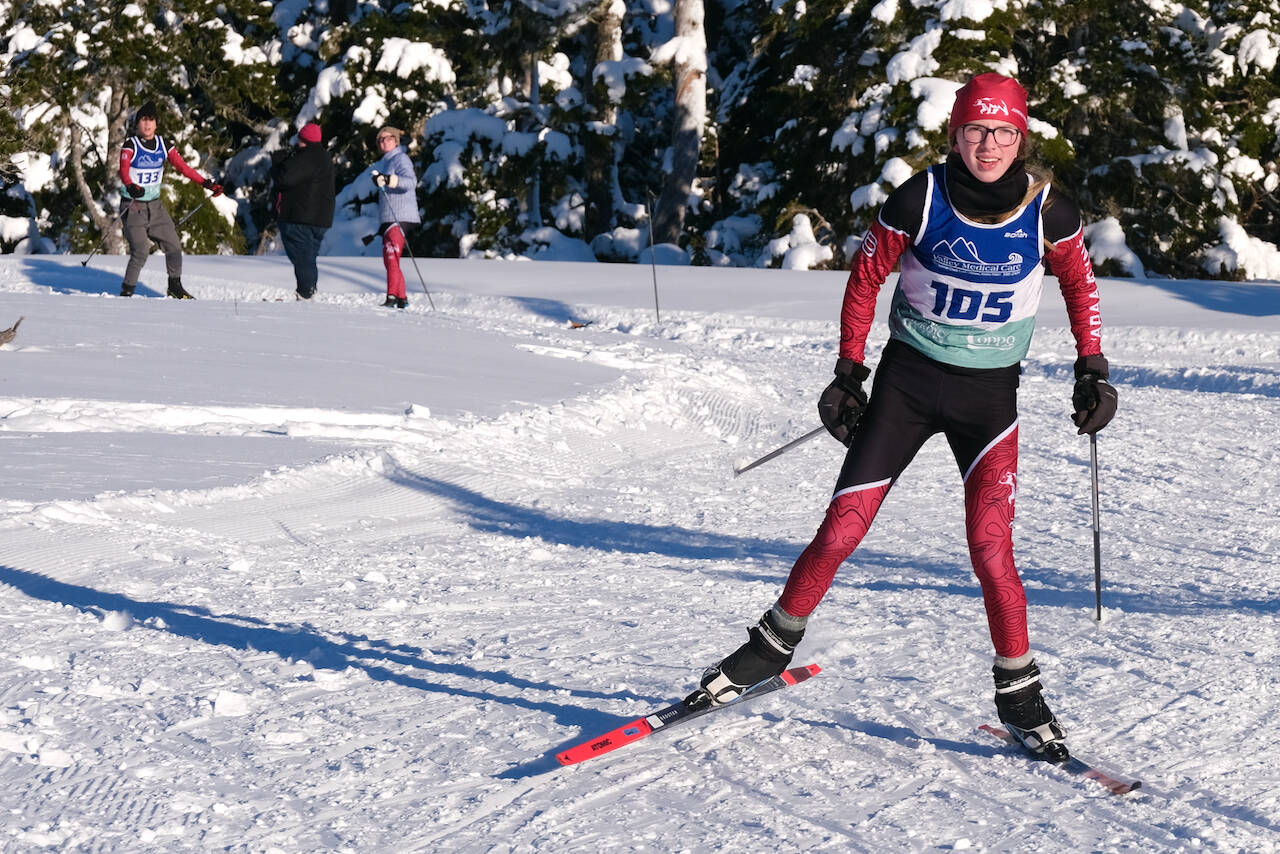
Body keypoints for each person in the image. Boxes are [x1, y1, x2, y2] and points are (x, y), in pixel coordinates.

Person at [691, 73, 1118, 762]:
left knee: (990, 548)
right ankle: (768, 649)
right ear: (955, 133)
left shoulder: (1049, 212)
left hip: (989, 401)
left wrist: (1091, 367)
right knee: (840, 530)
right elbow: (866, 279)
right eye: (976, 130)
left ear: (1021, 137)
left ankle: (1020, 694)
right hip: (907, 388)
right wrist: (847, 373)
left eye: (1003, 132)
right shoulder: (920, 197)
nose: (989, 145)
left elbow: (1080, 284)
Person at [117, 100, 223, 298]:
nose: (147, 124)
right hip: (133, 206)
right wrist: (131, 185)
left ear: (156, 123)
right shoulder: (131, 145)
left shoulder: (163, 145)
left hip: (155, 207)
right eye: (143, 120)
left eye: (151, 120)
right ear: (137, 124)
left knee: (173, 245)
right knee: (140, 250)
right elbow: (123, 170)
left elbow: (183, 168)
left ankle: (175, 286)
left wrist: (205, 183)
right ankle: (127, 291)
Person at [270, 122, 335, 300]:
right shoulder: (324, 157)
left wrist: (278, 164)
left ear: (304, 139)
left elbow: (285, 180)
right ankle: (309, 291)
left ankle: (305, 293)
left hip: (300, 216)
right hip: (320, 218)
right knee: (308, 256)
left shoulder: (307, 157)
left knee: (301, 256)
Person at [369, 126, 420, 309]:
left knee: (391, 256)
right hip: (388, 217)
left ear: (396, 140)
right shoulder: (385, 162)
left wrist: (390, 180)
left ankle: (391, 296)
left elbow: (410, 182)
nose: (384, 142)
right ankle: (401, 297)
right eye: (380, 140)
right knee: (389, 258)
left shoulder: (401, 158)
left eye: (388, 138)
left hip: (400, 215)